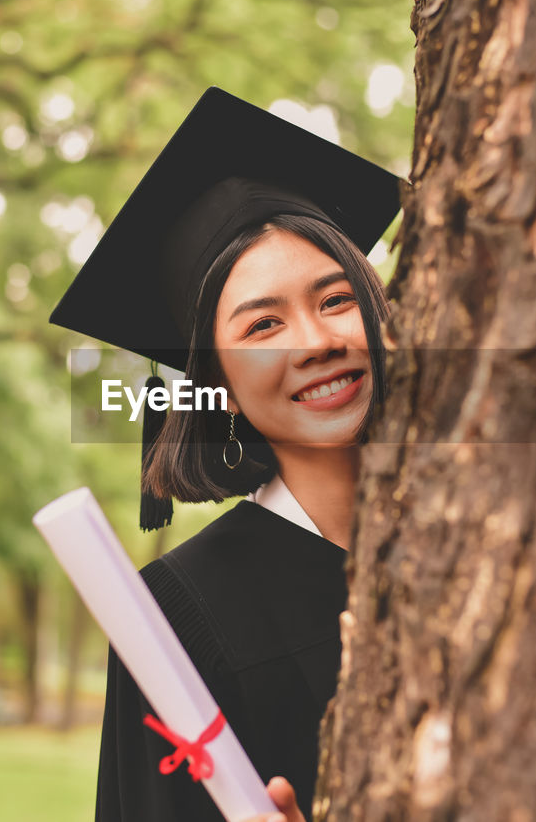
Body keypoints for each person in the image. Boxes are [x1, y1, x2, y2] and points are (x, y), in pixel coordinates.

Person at [49, 87, 401, 822]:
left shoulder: (490, 528)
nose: (316, 341)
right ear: (222, 389)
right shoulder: (180, 614)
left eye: (336, 299)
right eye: (263, 323)